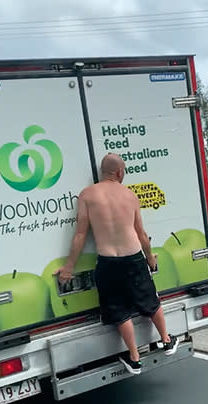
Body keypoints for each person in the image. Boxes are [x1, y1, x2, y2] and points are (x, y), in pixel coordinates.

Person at [55, 153, 178, 374]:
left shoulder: (87, 195)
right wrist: (150, 258)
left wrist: (68, 268)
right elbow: (141, 233)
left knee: (119, 310)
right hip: (133, 256)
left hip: (108, 261)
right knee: (150, 300)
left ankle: (134, 357)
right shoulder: (130, 195)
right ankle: (166, 339)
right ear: (120, 172)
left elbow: (80, 235)